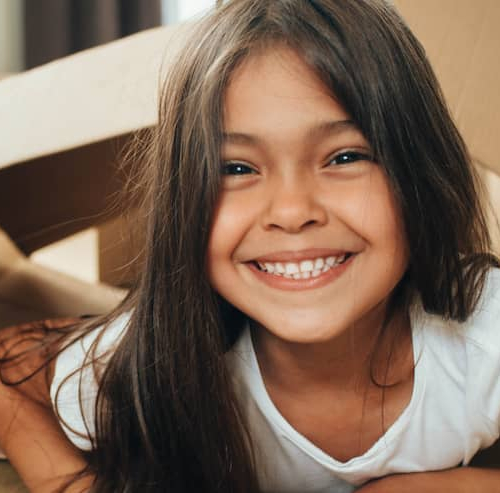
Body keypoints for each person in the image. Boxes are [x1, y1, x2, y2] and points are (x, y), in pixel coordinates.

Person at [1, 0, 500, 491]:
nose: (290, 210)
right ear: (184, 204)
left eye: (345, 156)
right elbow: (11, 375)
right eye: (236, 168)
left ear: (423, 177)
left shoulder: (483, 336)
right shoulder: (151, 362)